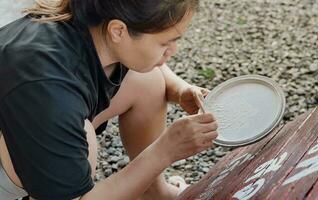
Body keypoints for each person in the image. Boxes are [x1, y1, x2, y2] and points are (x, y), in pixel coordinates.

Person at [0, 0, 219, 199]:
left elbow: (151, 71)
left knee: (147, 81)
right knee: (85, 140)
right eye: (165, 44)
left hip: (24, 121)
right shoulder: (48, 89)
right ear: (118, 30)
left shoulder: (91, 22)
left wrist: (180, 90)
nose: (173, 51)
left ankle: (154, 193)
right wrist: (165, 150)